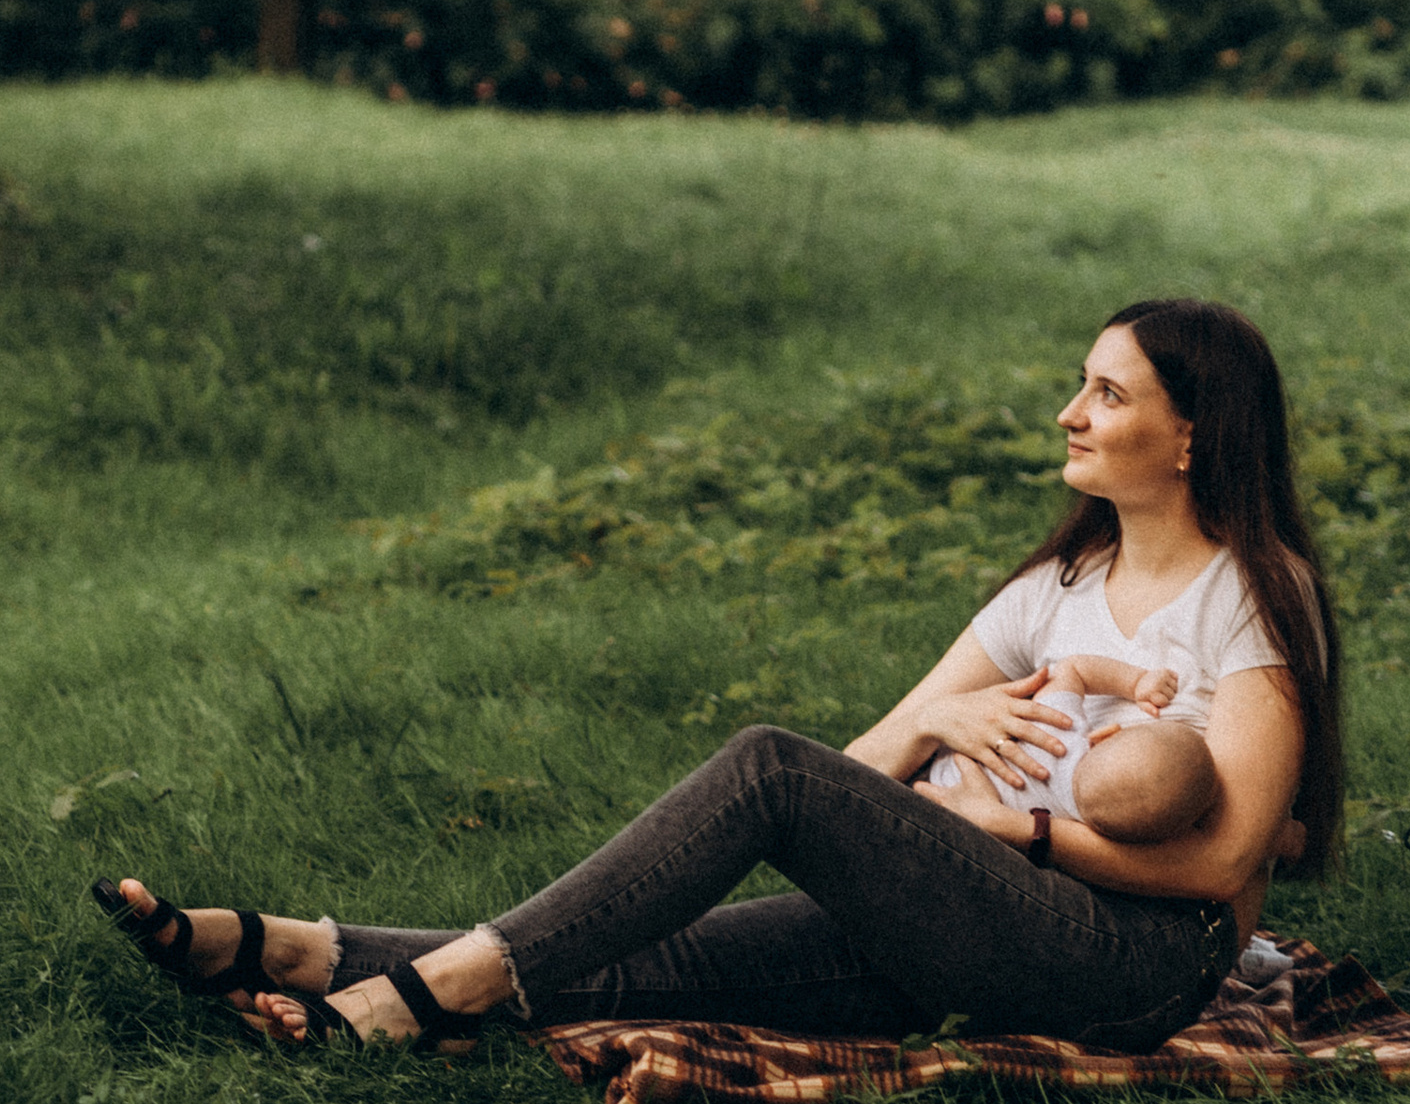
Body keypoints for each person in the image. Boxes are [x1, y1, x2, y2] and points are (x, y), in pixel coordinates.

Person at [97, 297, 1345, 1059]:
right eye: (1078, 382)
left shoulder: (1248, 594)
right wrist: (938, 729)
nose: (1069, 412)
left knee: (759, 760)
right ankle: (304, 953)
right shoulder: (1050, 593)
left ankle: (444, 984)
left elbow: (1222, 870)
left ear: (1193, 435)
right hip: (989, 924)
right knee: (673, 962)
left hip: (1132, 968)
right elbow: (855, 784)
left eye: (1107, 392)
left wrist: (1014, 829)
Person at [918, 646, 1218, 846]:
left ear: (1104, 736)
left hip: (933, 763)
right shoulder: (1070, 826)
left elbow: (1073, 669)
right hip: (945, 812)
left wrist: (1136, 681)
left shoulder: (1059, 730)